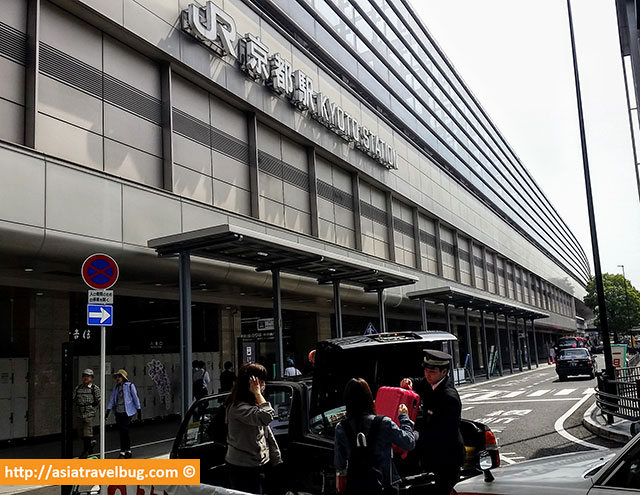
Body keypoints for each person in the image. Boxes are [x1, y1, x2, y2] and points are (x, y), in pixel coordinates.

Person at [335, 378, 415, 494]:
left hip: (356, 486)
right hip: (386, 485)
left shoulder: (341, 428)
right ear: (369, 399)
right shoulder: (384, 423)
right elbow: (408, 443)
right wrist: (404, 418)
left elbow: (339, 464)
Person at [400, 349, 464, 495]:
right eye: (426, 370)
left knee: (446, 490)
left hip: (448, 456)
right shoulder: (432, 382)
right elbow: (419, 382)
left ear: (444, 372)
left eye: (432, 371)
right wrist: (408, 381)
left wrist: (416, 434)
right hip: (434, 454)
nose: (427, 374)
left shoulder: (449, 397)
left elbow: (443, 432)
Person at [225, 362, 282, 494]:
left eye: (263, 382)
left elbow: (266, 434)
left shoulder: (253, 406)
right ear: (250, 384)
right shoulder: (238, 408)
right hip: (243, 467)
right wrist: (257, 393)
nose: (262, 386)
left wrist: (275, 457)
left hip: (260, 463)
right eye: (259, 382)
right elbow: (267, 416)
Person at [106, 369, 141, 459]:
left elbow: (135, 398)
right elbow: (112, 400)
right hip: (118, 411)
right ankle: (123, 451)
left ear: (123, 378)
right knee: (122, 431)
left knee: (124, 430)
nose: (118, 378)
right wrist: (108, 411)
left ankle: (126, 450)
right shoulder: (116, 388)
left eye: (119, 376)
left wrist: (139, 410)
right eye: (117, 377)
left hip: (127, 412)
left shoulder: (129, 386)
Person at [72, 368, 101, 458]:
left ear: (91, 378)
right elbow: (74, 399)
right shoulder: (78, 388)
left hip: (89, 414)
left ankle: (86, 451)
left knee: (87, 432)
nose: (86, 378)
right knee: (80, 433)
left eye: (88, 377)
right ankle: (90, 445)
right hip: (79, 414)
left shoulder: (94, 389)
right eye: (84, 376)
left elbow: (99, 400)